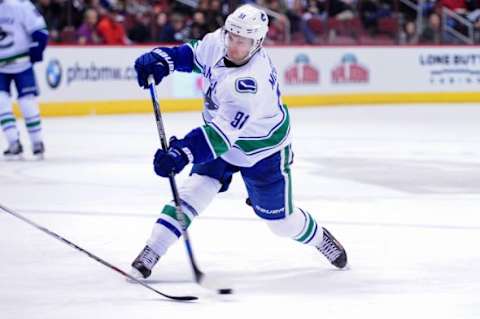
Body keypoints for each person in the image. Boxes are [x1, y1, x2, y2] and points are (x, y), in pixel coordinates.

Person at [131, 4, 348, 279]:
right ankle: (153, 249)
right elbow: (189, 54)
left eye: (242, 42)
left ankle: (320, 239)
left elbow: (218, 138)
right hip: (222, 139)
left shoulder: (249, 84)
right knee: (194, 190)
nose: (233, 45)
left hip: (262, 151)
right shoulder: (219, 41)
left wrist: (181, 153)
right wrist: (161, 60)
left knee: (280, 223)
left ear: (257, 43)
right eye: (232, 37)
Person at [0, 0, 48, 159]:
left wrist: (37, 49)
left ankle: (37, 142)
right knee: (1, 101)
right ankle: (13, 142)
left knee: (27, 101)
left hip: (22, 63)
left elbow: (40, 31)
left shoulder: (20, 5)